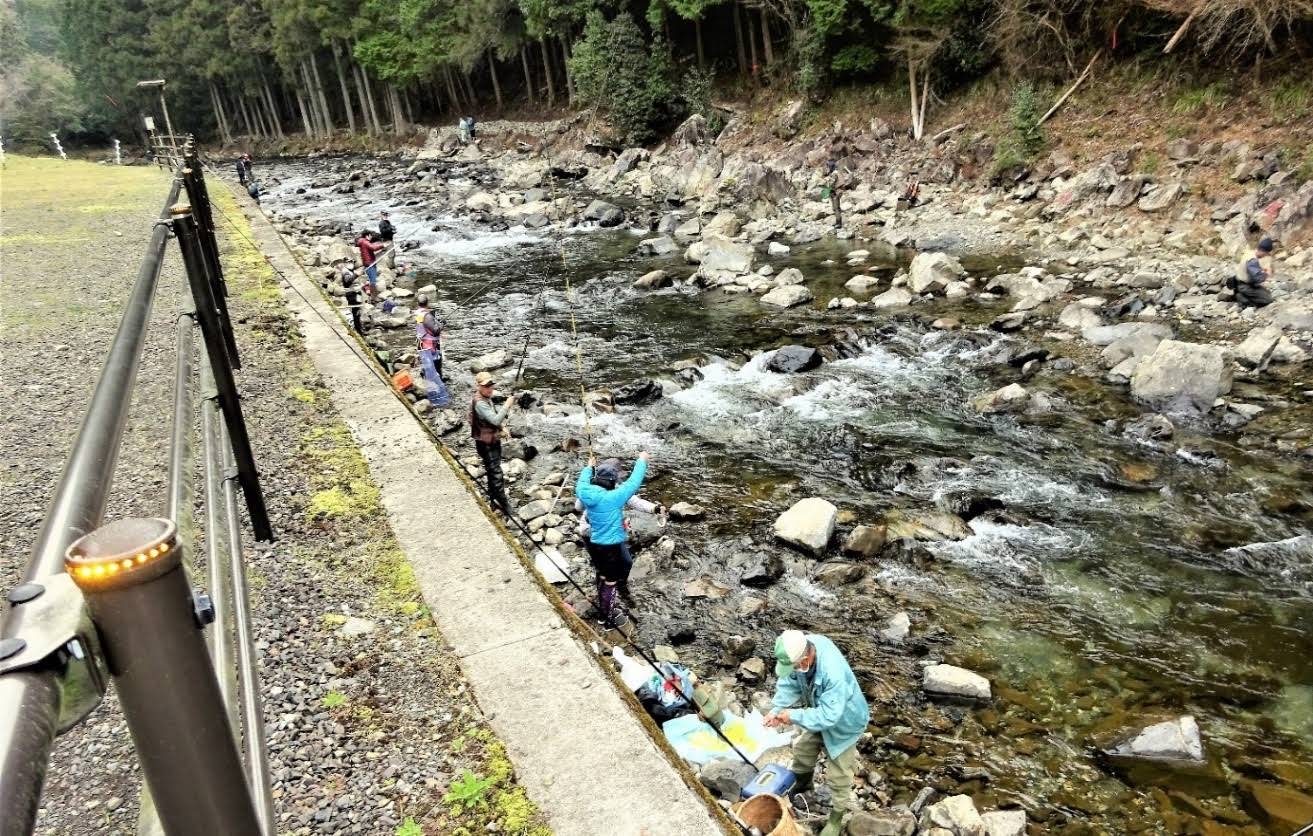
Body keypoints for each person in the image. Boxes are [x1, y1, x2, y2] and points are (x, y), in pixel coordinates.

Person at [765, 630, 869, 836]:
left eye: (794, 666)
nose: (793, 669)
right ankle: (803, 785)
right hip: (819, 711)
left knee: (838, 773)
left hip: (845, 722)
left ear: (807, 658)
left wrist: (794, 715)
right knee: (803, 749)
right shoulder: (801, 650)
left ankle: (836, 818)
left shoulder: (832, 672)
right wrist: (776, 710)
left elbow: (830, 716)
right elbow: (789, 682)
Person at [575, 452, 650, 628]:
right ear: (611, 481)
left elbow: (582, 481)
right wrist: (641, 461)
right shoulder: (614, 497)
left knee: (602, 575)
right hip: (610, 547)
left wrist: (588, 467)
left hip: (594, 542)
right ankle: (606, 619)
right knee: (610, 581)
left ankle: (603, 606)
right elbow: (633, 482)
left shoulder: (585, 491)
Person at [573, 466, 664, 607]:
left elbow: (636, 502)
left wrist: (654, 508)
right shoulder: (597, 490)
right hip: (590, 533)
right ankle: (605, 598)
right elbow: (579, 507)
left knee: (626, 562)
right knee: (603, 569)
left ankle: (619, 586)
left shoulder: (608, 489)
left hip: (611, 532)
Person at [469, 371, 515, 516]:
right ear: (478, 386)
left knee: (491, 471)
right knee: (496, 474)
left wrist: (502, 428)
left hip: (489, 440)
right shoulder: (480, 403)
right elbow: (495, 420)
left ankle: (493, 501)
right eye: (486, 386)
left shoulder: (485, 398)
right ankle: (504, 504)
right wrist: (507, 405)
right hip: (486, 444)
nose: (490, 388)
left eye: (491, 385)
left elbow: (493, 419)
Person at [413, 294, 449, 407]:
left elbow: (425, 328)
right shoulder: (427, 316)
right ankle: (438, 391)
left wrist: (437, 323)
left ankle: (428, 381)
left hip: (422, 345)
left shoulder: (418, 313)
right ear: (427, 303)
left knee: (428, 367)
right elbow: (435, 330)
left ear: (418, 304)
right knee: (437, 367)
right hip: (431, 348)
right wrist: (442, 325)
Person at [1234, 237, 1276, 308]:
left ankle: (1244, 294)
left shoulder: (1250, 252)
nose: (1265, 256)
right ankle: (1243, 299)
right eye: (1266, 254)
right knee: (1268, 299)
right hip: (1245, 286)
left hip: (1242, 282)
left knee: (1267, 293)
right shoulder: (1252, 260)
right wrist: (1267, 274)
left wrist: (1262, 269)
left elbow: (1251, 269)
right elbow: (1258, 278)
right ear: (1263, 251)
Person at [337, 259, 364, 333]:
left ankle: (358, 327)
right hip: (352, 295)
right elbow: (348, 281)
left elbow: (356, 282)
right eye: (348, 262)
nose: (351, 263)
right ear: (345, 263)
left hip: (357, 294)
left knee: (358, 311)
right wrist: (356, 275)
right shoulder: (345, 271)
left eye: (352, 262)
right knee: (355, 312)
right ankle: (357, 329)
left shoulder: (352, 270)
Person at [823, 159, 842, 229]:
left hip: (835, 192)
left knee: (836, 208)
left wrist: (826, 181)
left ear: (831, 166)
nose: (827, 167)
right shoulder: (835, 172)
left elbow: (831, 184)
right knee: (835, 208)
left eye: (828, 166)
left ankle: (839, 223)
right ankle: (837, 222)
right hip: (836, 192)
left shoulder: (834, 174)